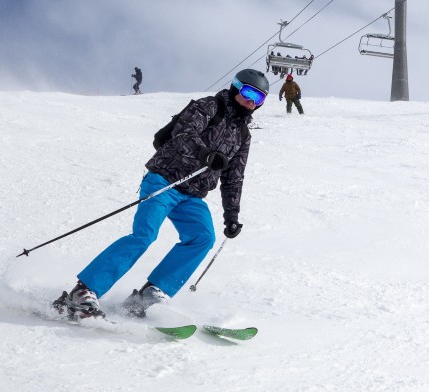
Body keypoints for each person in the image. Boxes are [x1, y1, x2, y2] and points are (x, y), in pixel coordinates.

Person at [53, 68, 270, 319]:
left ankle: (151, 293)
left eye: (259, 98)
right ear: (235, 88)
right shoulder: (208, 106)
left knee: (202, 238)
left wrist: (231, 214)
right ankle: (84, 291)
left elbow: (234, 176)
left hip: (192, 195)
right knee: (144, 235)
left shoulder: (243, 135)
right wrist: (205, 154)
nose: (251, 101)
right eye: (247, 92)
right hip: (163, 180)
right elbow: (183, 133)